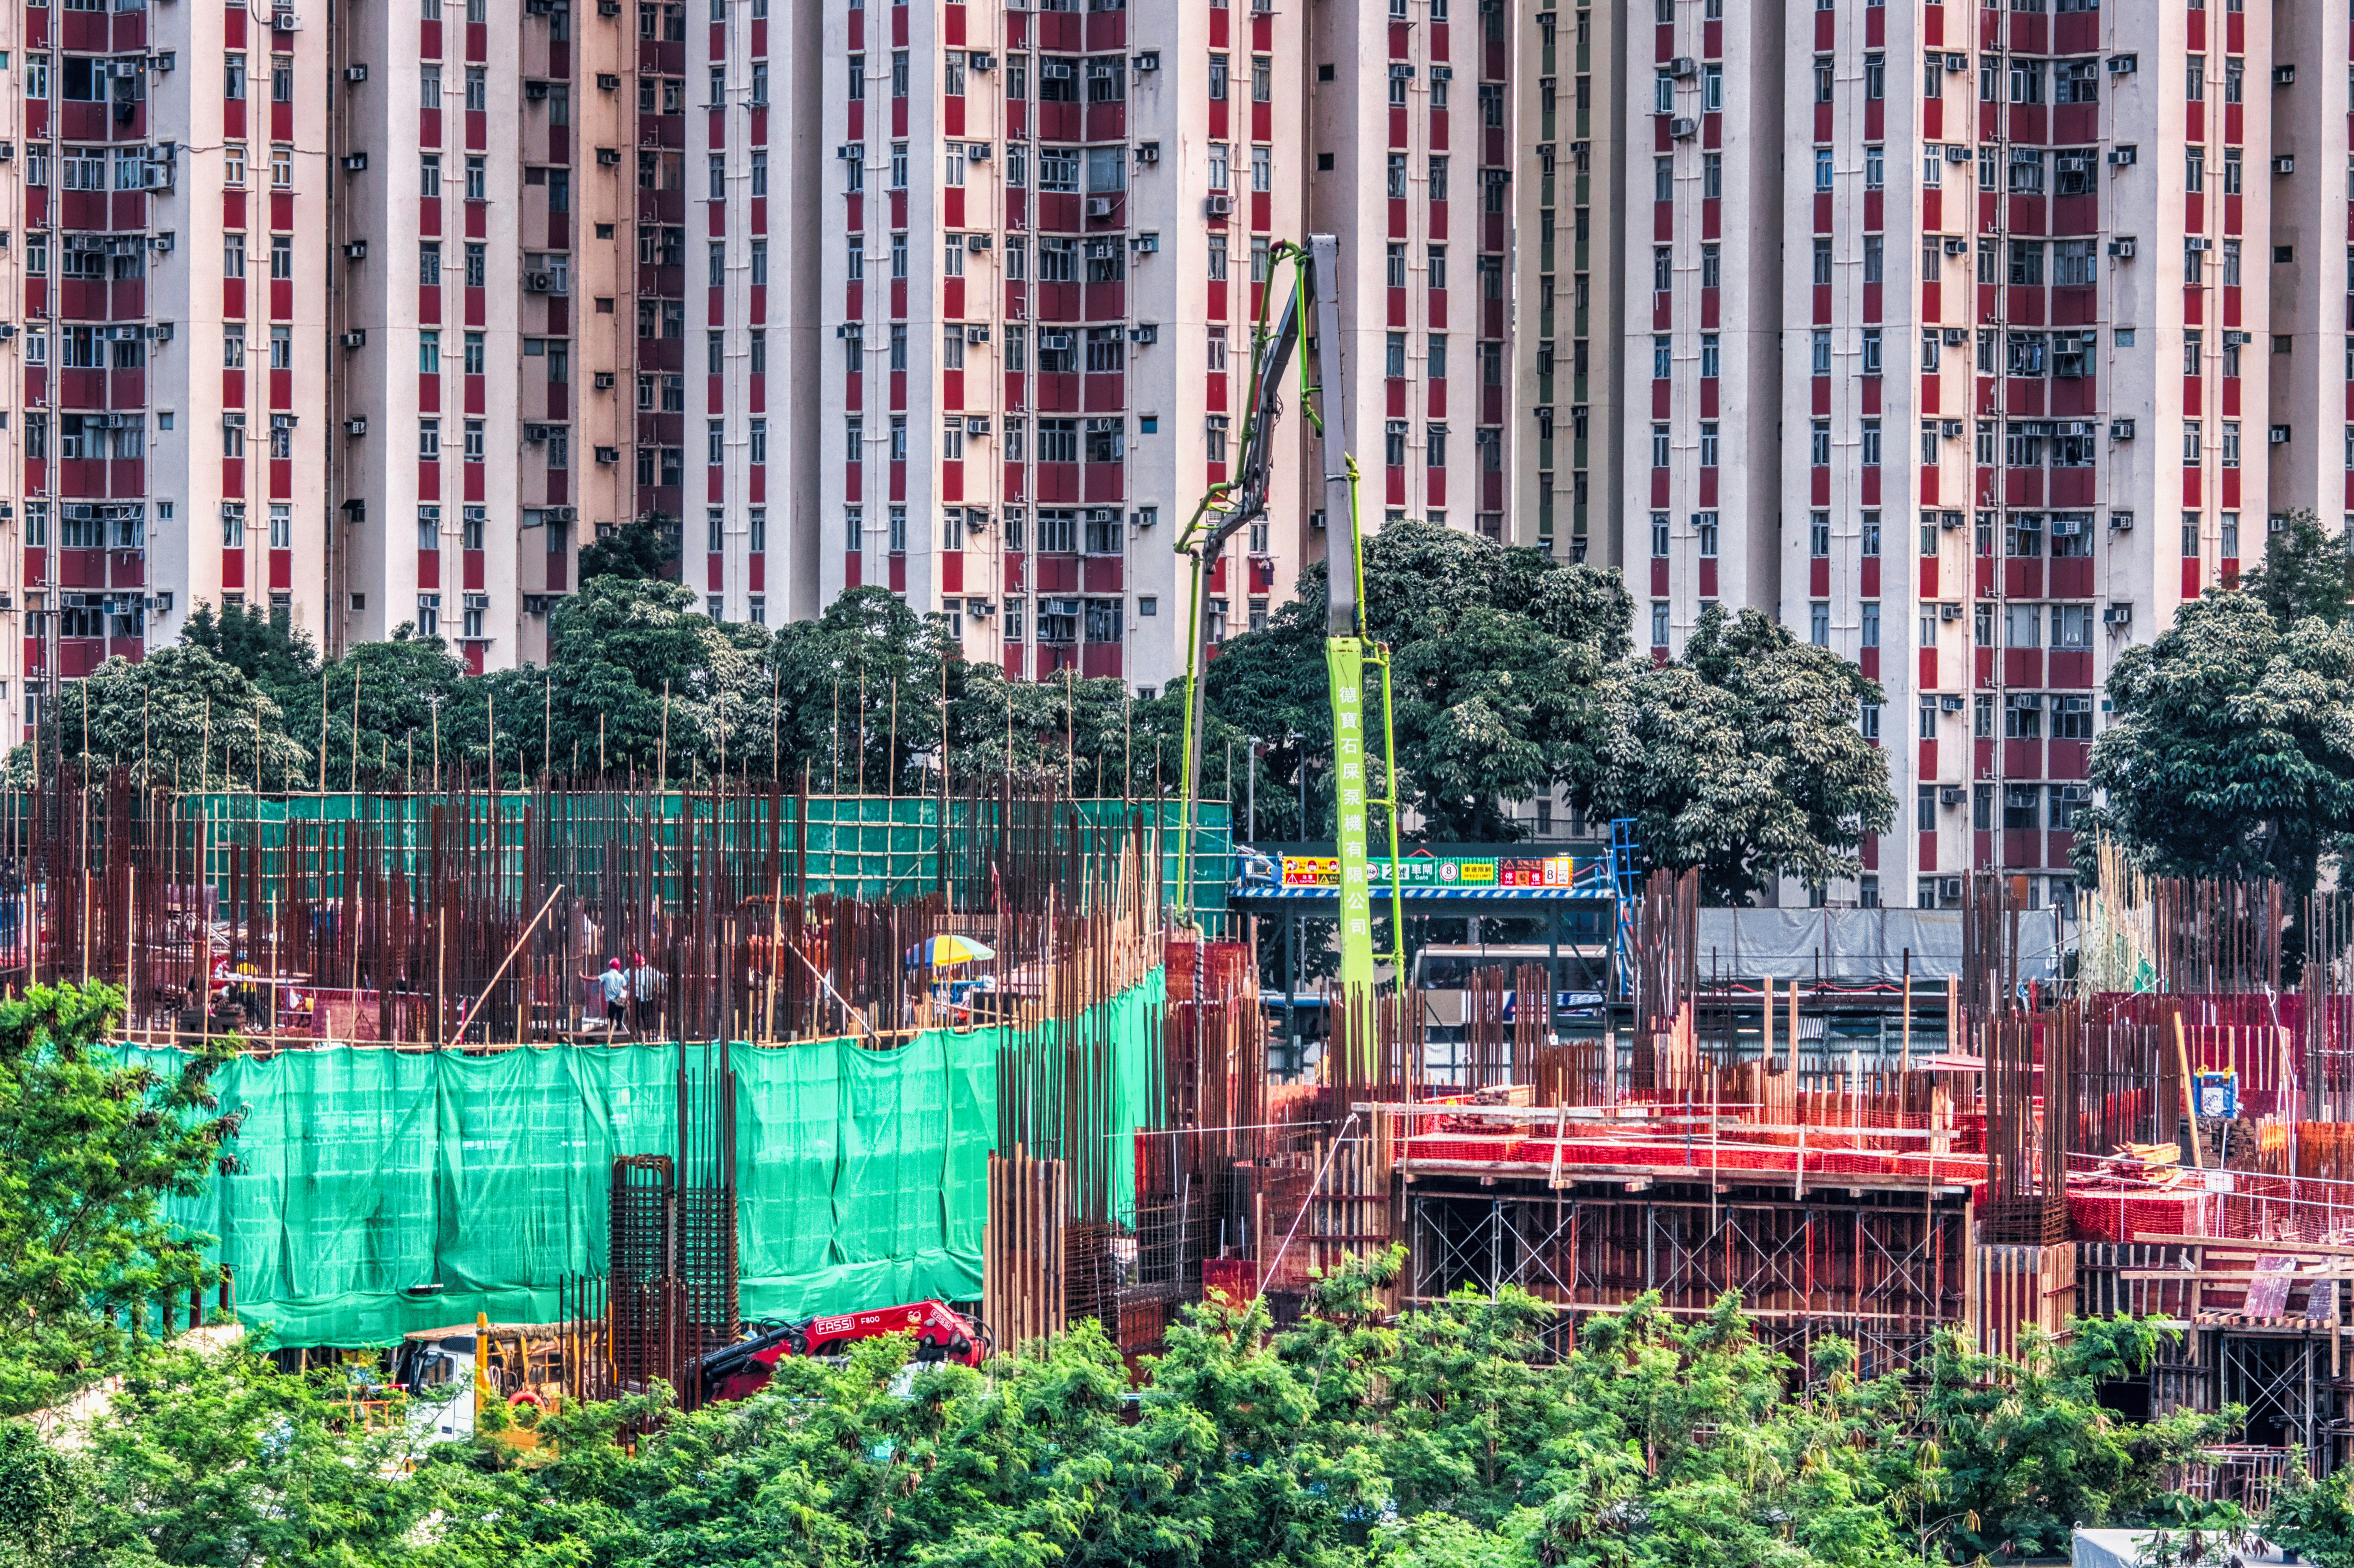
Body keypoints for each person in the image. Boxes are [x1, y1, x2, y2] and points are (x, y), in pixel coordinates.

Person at [578, 957, 628, 1032]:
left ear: (610, 966)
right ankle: (619, 1032)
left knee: (611, 1020)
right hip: (621, 999)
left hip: (612, 1001)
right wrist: (626, 999)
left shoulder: (606, 976)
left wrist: (582, 977)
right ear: (619, 967)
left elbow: (594, 980)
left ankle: (610, 1034)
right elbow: (625, 989)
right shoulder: (621, 977)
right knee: (620, 1020)